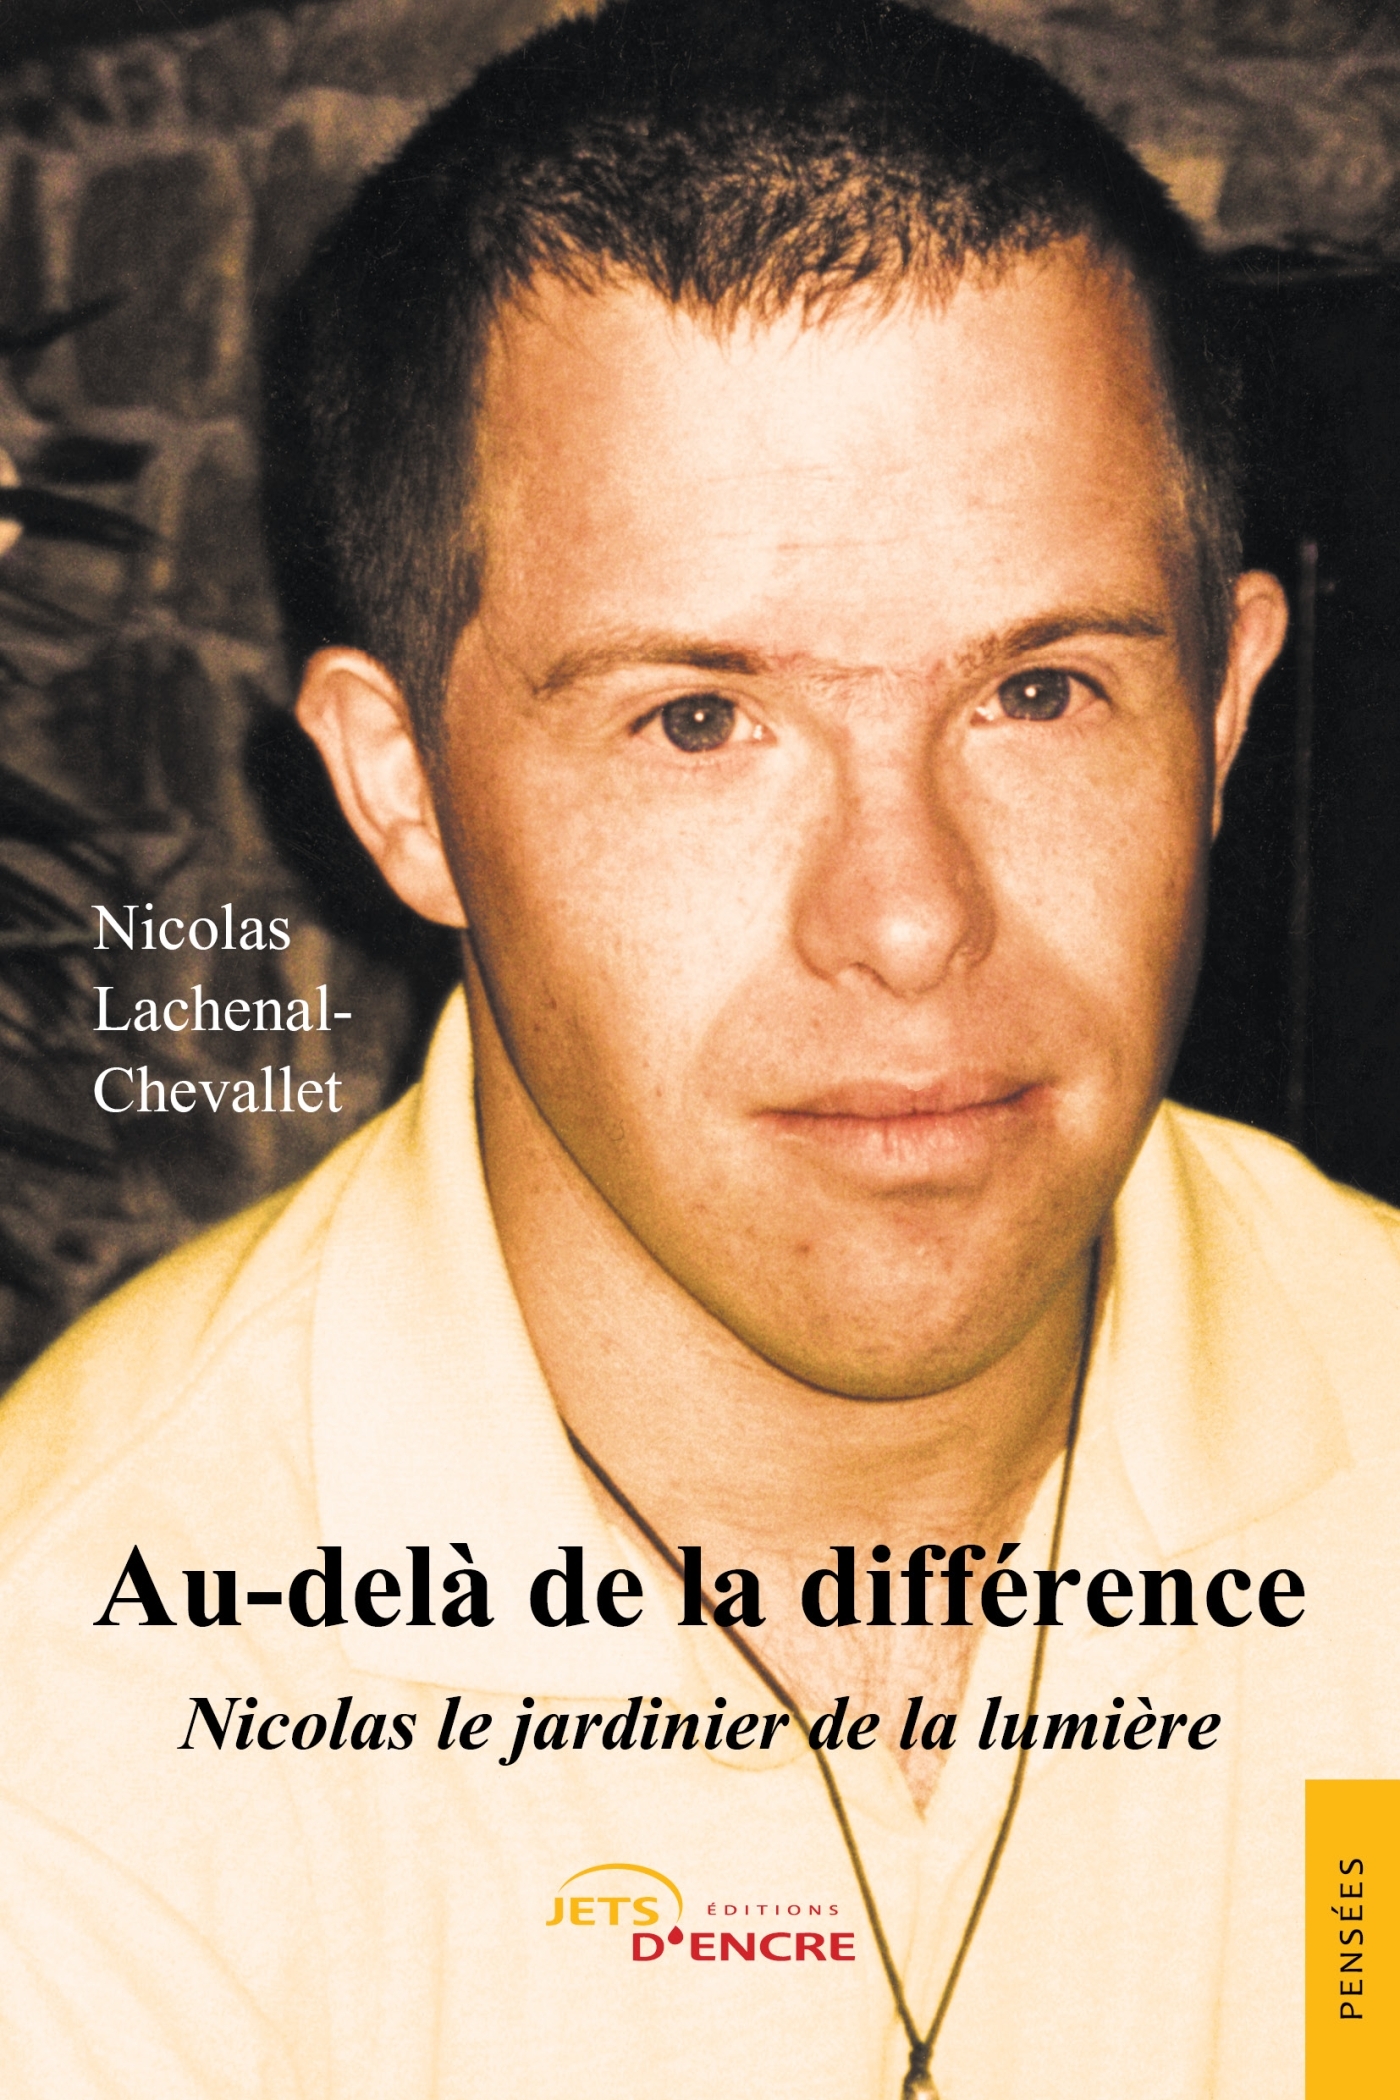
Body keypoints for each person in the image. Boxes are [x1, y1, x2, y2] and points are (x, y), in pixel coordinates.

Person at [0, 3, 1396, 2095]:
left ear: (1219, 714)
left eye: (1038, 693)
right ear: (402, 795)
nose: (908, 919)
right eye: (697, 720)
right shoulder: (74, 1748)